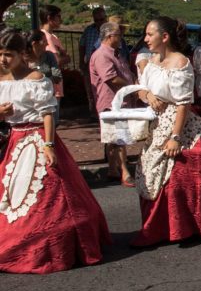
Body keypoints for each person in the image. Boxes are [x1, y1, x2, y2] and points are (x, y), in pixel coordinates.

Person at [0, 30, 110, 273]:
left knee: (48, 192)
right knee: (13, 194)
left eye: (8, 55)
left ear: (21, 54)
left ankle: (53, 239)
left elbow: (47, 113)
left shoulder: (36, 77)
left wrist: (48, 145)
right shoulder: (2, 79)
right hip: (15, 141)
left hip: (37, 138)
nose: (3, 60)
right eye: (0, 54)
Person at [133, 17, 201, 247]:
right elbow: (140, 89)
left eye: (149, 34)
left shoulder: (181, 63)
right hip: (156, 124)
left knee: (182, 173)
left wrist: (175, 138)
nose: (145, 39)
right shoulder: (151, 60)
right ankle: (160, 227)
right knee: (150, 171)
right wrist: (148, 96)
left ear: (164, 37)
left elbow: (183, 103)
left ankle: (193, 225)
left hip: (180, 125)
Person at [89, 22, 136, 187]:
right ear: (110, 36)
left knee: (113, 137)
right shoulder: (102, 55)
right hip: (111, 101)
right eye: (119, 34)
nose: (121, 37)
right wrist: (132, 88)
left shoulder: (117, 54)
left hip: (118, 100)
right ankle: (125, 171)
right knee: (119, 137)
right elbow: (111, 78)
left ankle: (112, 170)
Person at [25, 31, 62, 124]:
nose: (47, 43)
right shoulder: (23, 59)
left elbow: (57, 76)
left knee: (52, 125)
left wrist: (42, 81)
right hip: (29, 101)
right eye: (44, 41)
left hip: (47, 98)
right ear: (35, 44)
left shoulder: (49, 56)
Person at [79, 7, 108, 113]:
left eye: (101, 19)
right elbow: (82, 45)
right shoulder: (89, 30)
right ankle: (93, 112)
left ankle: (102, 111)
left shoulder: (109, 31)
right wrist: (81, 61)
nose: (99, 22)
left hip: (104, 65)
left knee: (103, 89)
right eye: (96, 20)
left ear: (106, 18)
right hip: (90, 64)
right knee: (90, 89)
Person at [39, 5, 69, 103]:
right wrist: (63, 57)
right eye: (58, 16)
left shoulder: (53, 37)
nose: (60, 19)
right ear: (49, 18)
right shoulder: (46, 38)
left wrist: (63, 56)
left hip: (55, 85)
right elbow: (58, 60)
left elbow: (65, 57)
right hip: (51, 87)